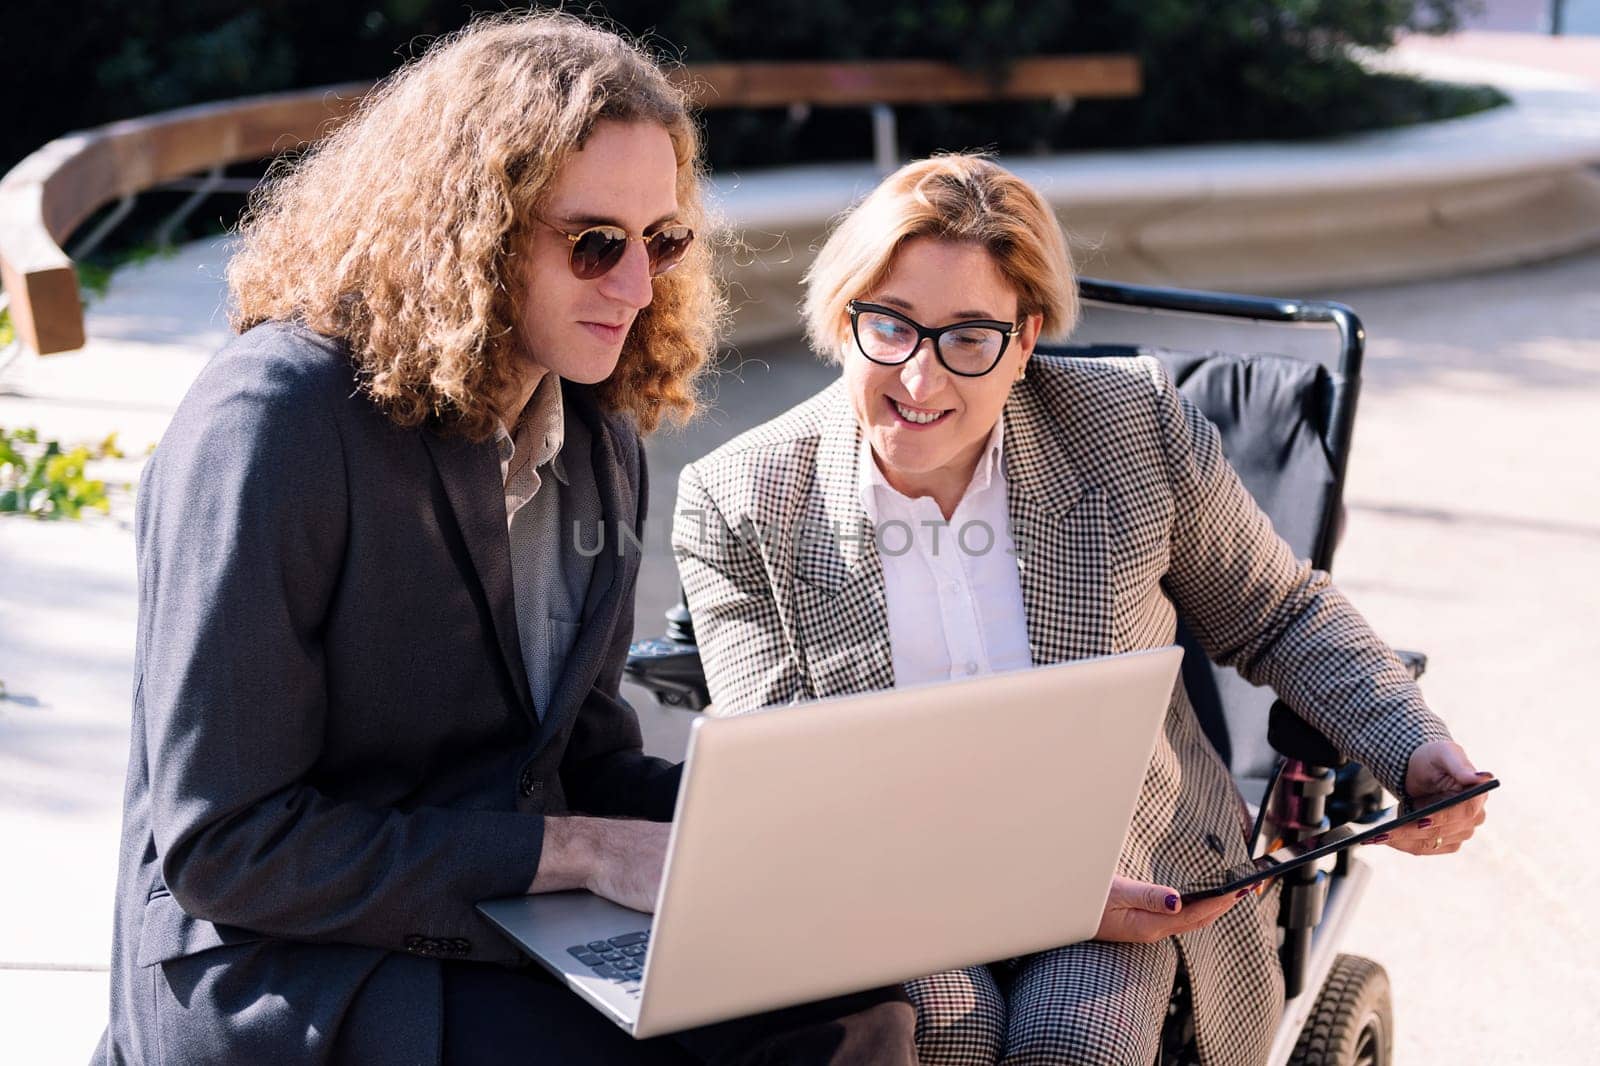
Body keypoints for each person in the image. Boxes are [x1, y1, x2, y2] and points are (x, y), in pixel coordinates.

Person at [95, 13, 919, 1065]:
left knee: (858, 1004)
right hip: (285, 971)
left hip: (489, 919)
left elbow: (578, 759)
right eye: (593, 244)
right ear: (472, 228)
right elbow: (228, 847)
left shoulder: (595, 434)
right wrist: (571, 851)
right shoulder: (273, 422)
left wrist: (823, 825)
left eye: (661, 242)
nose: (636, 287)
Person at [671, 154, 1491, 1066]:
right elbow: (791, 795)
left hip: (1129, 878)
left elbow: (1279, 613)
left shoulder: (1132, 426)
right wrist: (1025, 890)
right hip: (883, 893)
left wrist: (1410, 743)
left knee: (1075, 1041)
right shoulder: (739, 498)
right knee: (947, 1030)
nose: (919, 378)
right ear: (844, 316)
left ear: (1025, 344)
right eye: (890, 326)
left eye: (968, 340)